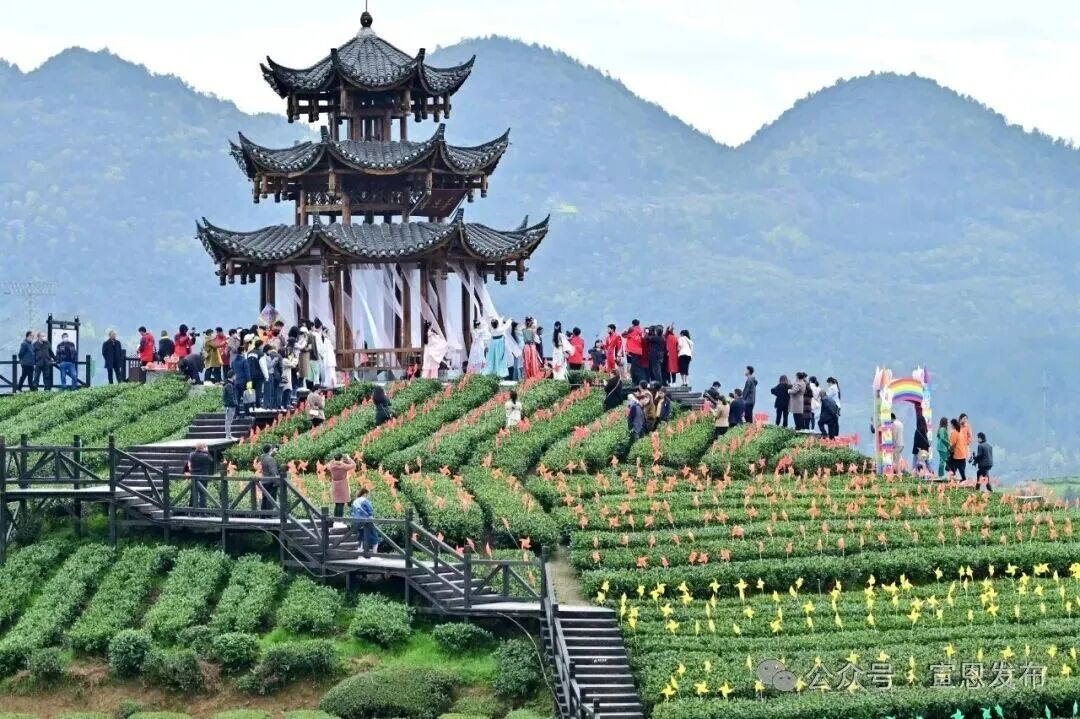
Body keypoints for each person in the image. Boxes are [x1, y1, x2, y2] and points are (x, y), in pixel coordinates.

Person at [185, 441, 214, 509]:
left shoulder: (191, 454)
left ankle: (192, 511)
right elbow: (211, 460)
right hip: (203, 476)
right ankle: (203, 511)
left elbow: (189, 463)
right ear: (203, 448)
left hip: (194, 476)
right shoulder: (205, 456)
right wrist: (207, 451)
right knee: (202, 494)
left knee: (193, 494)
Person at [351, 487, 379, 556]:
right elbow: (370, 512)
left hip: (357, 523)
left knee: (360, 539)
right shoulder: (365, 501)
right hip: (367, 523)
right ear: (365, 494)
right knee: (375, 540)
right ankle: (374, 555)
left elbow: (352, 513)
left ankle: (359, 556)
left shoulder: (355, 502)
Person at [259, 444, 280, 512]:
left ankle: (263, 515)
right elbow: (273, 472)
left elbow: (268, 455)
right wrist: (276, 483)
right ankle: (269, 514)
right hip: (271, 482)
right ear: (270, 449)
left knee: (265, 498)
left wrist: (273, 452)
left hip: (264, 481)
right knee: (271, 499)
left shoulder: (262, 457)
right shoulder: (270, 459)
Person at [623, 320, 644, 384]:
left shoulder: (632, 331)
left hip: (633, 352)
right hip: (640, 352)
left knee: (634, 368)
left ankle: (637, 382)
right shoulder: (641, 330)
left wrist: (628, 331)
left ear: (632, 324)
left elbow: (623, 335)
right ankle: (639, 382)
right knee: (638, 367)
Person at [222, 370, 239, 441]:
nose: (236, 376)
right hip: (230, 406)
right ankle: (228, 436)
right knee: (228, 421)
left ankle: (228, 435)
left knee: (228, 421)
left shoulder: (227, 384)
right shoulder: (229, 385)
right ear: (232, 376)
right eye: (235, 375)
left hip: (228, 405)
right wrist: (235, 403)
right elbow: (230, 396)